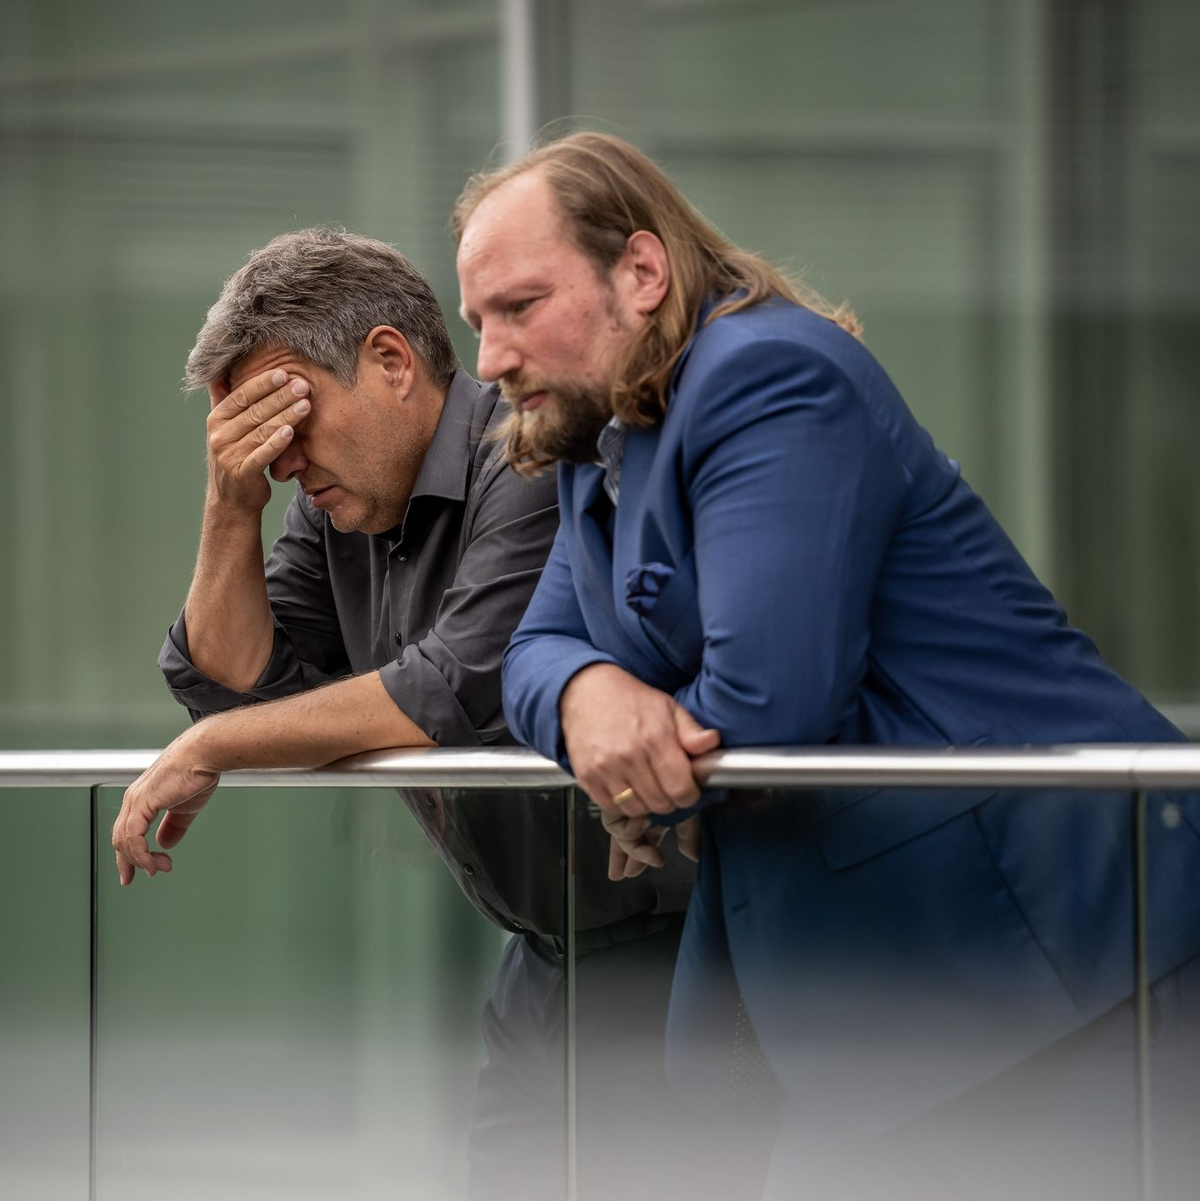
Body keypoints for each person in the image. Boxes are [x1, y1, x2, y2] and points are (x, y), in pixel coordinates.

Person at [453, 133, 1200, 1199]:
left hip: (1060, 945)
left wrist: (648, 782)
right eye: (478, 320)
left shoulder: (766, 374)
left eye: (518, 307)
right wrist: (589, 700)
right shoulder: (605, 442)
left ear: (643, 272)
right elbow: (529, 654)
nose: (487, 358)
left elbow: (771, 704)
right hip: (890, 994)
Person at [109, 229, 731, 1201]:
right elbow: (237, 686)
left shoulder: (526, 457)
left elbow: (455, 689)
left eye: (288, 417)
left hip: (678, 948)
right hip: (540, 957)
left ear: (391, 361)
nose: (280, 464)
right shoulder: (333, 509)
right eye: (252, 439)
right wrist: (231, 507)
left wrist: (213, 744)